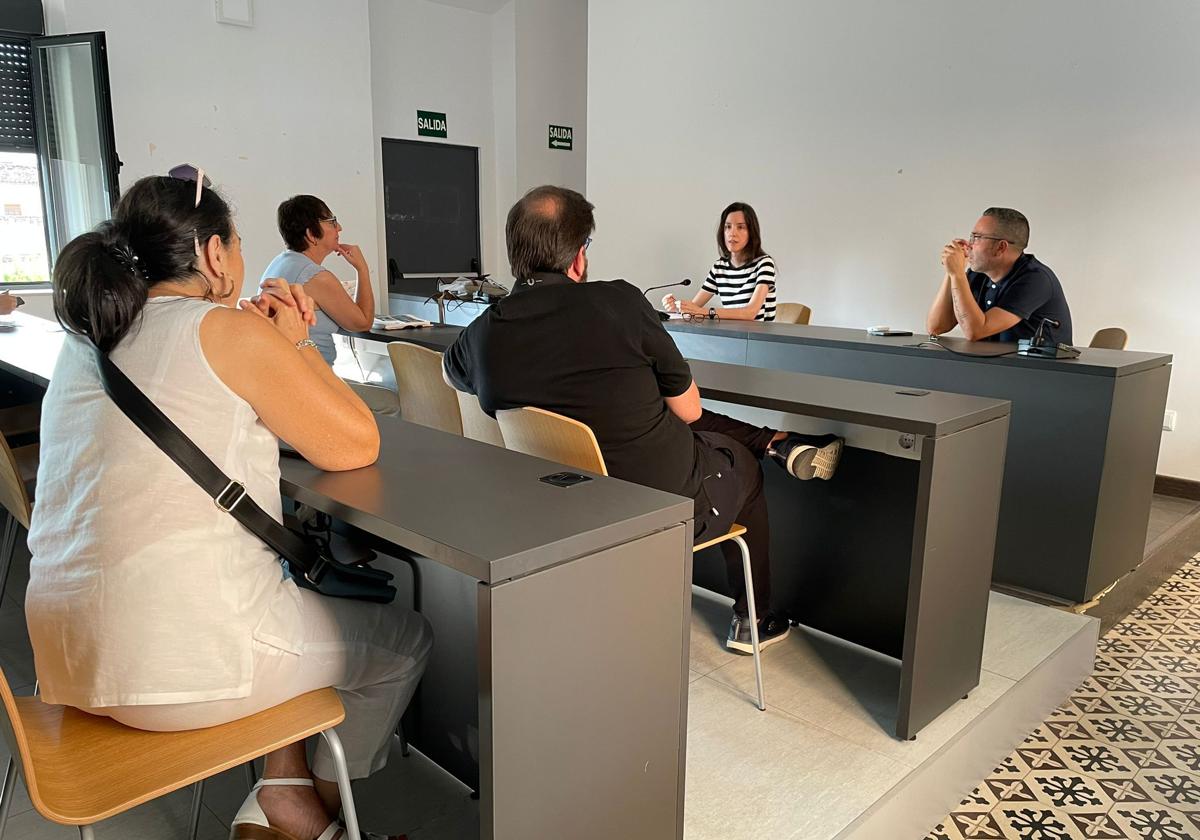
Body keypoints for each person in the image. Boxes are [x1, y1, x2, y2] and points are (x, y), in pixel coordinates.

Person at [26, 170, 430, 840]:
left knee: (281, 592)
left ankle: (282, 790)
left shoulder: (84, 341)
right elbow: (357, 443)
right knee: (405, 639)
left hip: (65, 658)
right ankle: (313, 817)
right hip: (174, 664)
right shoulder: (223, 329)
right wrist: (294, 346)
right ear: (214, 255)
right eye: (236, 243)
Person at [443, 185, 844, 653]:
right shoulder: (620, 302)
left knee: (665, 416)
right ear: (578, 258)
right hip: (656, 502)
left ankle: (777, 441)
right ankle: (753, 620)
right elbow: (690, 411)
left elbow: (453, 376)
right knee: (740, 465)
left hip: (555, 506)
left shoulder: (484, 331)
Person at [926, 207, 1072, 345]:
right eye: (971, 237)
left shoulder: (1036, 279)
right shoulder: (978, 274)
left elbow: (975, 331)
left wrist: (957, 273)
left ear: (1000, 247)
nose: (968, 245)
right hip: (994, 362)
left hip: (1038, 363)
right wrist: (951, 272)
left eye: (976, 237)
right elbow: (936, 327)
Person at [262, 195, 376, 364]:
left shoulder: (279, 263)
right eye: (332, 222)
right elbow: (363, 323)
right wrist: (362, 269)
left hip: (286, 371)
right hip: (314, 374)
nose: (339, 228)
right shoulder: (315, 277)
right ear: (311, 234)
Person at [663, 202, 777, 321]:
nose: (732, 233)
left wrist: (705, 312)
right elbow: (694, 307)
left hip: (758, 333)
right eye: (728, 227)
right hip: (730, 332)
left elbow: (750, 313)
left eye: (740, 227)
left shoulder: (764, 264)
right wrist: (678, 308)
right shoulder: (719, 267)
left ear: (751, 233)